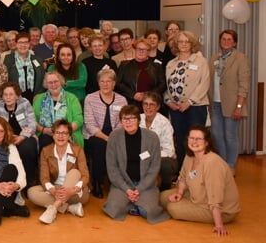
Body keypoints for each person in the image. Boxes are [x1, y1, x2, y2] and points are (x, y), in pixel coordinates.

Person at [160, 125, 240, 236]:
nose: (194, 142)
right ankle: (187, 203)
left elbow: (215, 196)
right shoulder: (190, 156)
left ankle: (191, 207)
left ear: (207, 142)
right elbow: (183, 177)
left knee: (173, 208)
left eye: (198, 139)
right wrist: (179, 193)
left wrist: (219, 225)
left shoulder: (212, 163)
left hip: (219, 209)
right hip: (197, 194)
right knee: (163, 197)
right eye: (191, 138)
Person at [103, 105, 169, 224]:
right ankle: (131, 202)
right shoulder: (114, 137)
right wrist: (127, 189)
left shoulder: (152, 138)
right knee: (114, 209)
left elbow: (154, 168)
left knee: (148, 212)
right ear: (121, 121)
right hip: (122, 184)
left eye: (132, 118)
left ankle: (134, 204)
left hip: (145, 184)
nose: (128, 122)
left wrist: (140, 188)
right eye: (125, 119)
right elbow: (112, 168)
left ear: (139, 120)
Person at [28, 119, 89, 224]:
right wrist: (54, 192)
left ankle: (53, 209)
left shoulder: (78, 150)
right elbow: (44, 178)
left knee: (74, 172)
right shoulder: (46, 151)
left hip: (76, 192)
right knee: (31, 192)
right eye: (58, 133)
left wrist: (72, 191)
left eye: (65, 133)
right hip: (56, 189)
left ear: (70, 136)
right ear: (53, 135)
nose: (61, 136)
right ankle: (70, 208)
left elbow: (85, 176)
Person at [165, 30, 210, 168]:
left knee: (196, 140)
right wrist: (168, 101)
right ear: (176, 44)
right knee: (180, 140)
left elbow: (205, 83)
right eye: (181, 41)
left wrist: (190, 102)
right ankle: (182, 172)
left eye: (187, 41)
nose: (183, 44)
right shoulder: (171, 63)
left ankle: (197, 171)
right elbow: (168, 86)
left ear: (192, 44)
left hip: (195, 108)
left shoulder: (201, 61)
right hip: (176, 109)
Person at [209, 29, 250, 173]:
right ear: (220, 41)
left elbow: (244, 85)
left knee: (230, 136)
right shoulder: (214, 58)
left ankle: (231, 165)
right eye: (223, 39)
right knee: (216, 134)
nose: (226, 42)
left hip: (232, 104)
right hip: (215, 103)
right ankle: (223, 164)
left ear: (235, 42)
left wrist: (239, 106)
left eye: (229, 39)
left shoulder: (241, 58)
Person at [83, 69, 126, 198]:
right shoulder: (90, 98)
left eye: (108, 81)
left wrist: (112, 137)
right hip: (95, 135)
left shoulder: (121, 100)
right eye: (102, 81)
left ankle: (119, 183)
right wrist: (106, 138)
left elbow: (122, 122)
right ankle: (98, 182)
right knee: (100, 146)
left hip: (115, 134)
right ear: (98, 83)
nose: (105, 84)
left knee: (123, 145)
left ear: (114, 83)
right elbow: (89, 123)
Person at [0, 82, 38, 190]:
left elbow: (32, 123)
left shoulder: (25, 103)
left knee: (28, 147)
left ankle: (29, 180)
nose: (8, 97)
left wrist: (22, 137)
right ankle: (7, 183)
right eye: (5, 95)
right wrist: (8, 137)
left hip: (24, 136)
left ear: (17, 95)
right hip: (5, 137)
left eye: (11, 94)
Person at [33, 71, 84, 150]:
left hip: (68, 133)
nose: (53, 85)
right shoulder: (39, 99)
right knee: (45, 140)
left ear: (61, 82)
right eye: (50, 82)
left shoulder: (72, 98)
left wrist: (62, 132)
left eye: (56, 81)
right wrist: (44, 130)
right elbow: (33, 120)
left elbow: (79, 120)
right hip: (46, 133)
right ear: (46, 85)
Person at [140, 92, 178, 191]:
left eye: (152, 104)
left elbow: (169, 151)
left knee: (165, 165)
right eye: (145, 104)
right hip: (140, 155)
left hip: (162, 157)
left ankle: (164, 188)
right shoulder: (137, 119)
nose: (148, 107)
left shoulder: (164, 123)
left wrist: (149, 155)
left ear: (158, 107)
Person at [116, 38, 166, 112]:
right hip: (130, 105)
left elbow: (162, 84)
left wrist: (148, 95)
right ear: (135, 49)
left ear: (148, 52)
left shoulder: (156, 66)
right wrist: (133, 94)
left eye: (145, 49)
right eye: (139, 49)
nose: (141, 51)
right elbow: (118, 84)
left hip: (151, 105)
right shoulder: (124, 65)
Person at [2, 32, 45, 103]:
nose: (23, 45)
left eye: (26, 42)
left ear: (29, 44)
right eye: (20, 42)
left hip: (36, 98)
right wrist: (15, 95)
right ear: (16, 44)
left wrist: (39, 95)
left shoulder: (37, 60)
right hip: (15, 99)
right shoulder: (8, 59)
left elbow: (43, 79)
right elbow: (6, 81)